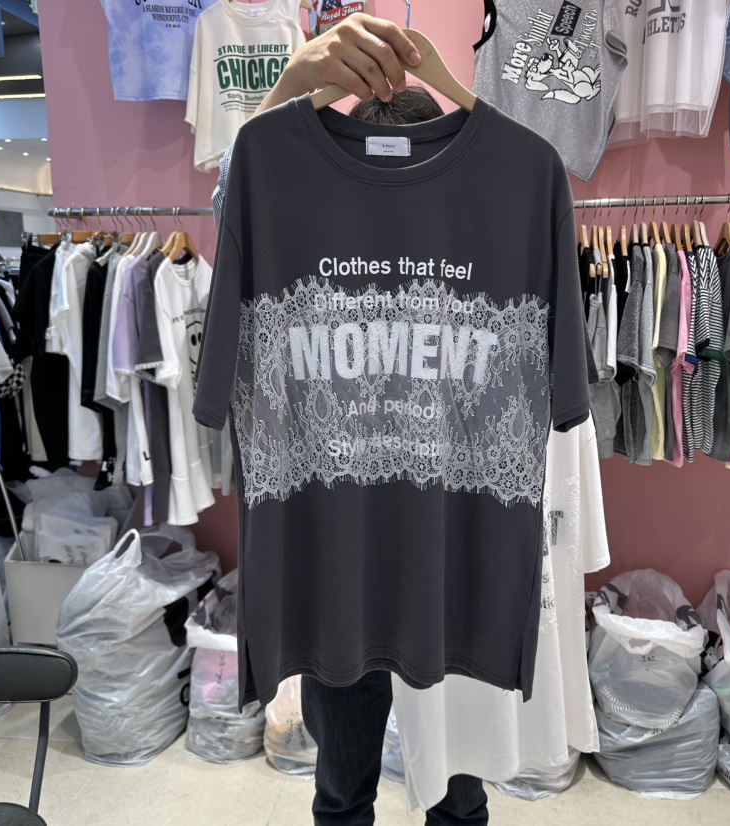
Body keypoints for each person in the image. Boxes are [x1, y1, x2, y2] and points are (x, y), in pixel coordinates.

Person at [211, 14, 490, 826]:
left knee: (452, 787)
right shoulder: (308, 234)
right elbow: (239, 211)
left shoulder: (475, 234)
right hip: (343, 555)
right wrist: (286, 89)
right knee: (346, 786)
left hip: (439, 553)